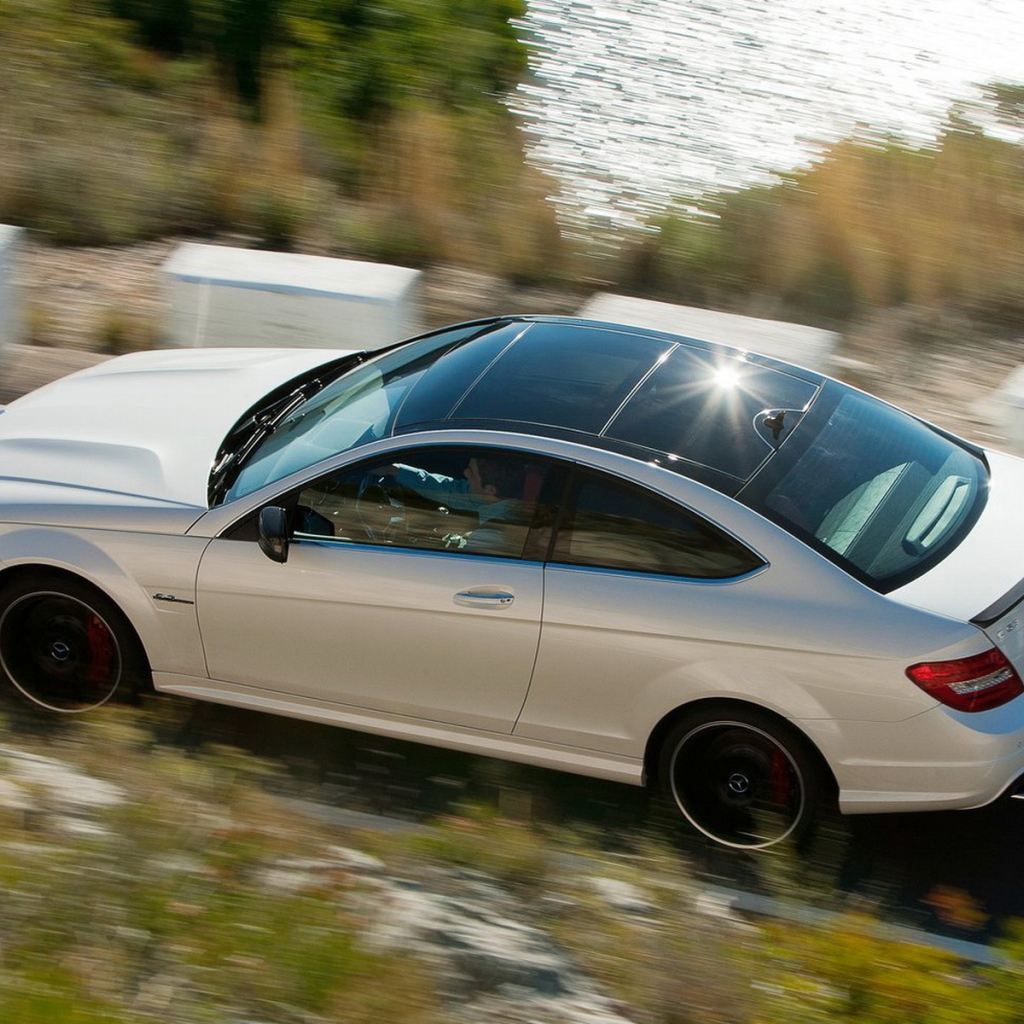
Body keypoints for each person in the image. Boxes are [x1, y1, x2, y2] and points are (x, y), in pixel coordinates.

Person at [382, 456, 529, 555]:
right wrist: (394, 470)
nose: (465, 473)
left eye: (471, 472)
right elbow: (450, 489)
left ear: (491, 490)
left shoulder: (491, 536)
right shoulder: (496, 497)